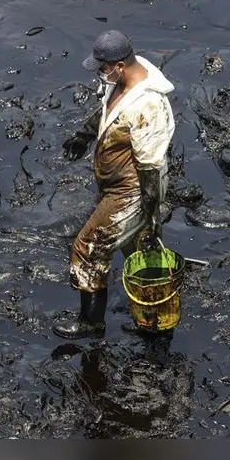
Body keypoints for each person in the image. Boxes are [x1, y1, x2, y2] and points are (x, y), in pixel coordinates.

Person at [52, 29, 176, 340]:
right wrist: (83, 136)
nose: (100, 73)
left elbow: (150, 166)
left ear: (120, 65)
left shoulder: (150, 106)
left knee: (89, 248)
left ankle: (91, 322)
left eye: (103, 67)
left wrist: (150, 214)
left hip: (132, 191)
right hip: (114, 185)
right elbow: (108, 113)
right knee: (139, 251)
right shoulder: (121, 81)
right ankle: (153, 319)